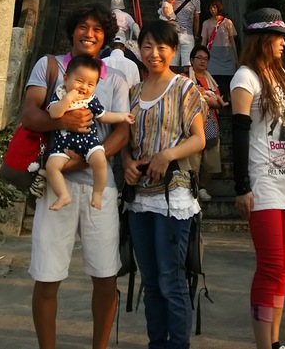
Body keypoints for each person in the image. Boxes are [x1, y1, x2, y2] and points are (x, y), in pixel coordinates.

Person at [22, 3, 130, 349]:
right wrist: (61, 122)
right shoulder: (50, 66)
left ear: (105, 36)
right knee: (47, 275)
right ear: (72, 30)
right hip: (57, 188)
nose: (89, 33)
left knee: (105, 275)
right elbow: (29, 115)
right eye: (83, 26)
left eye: (97, 29)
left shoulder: (114, 78)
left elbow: (121, 133)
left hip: (100, 187)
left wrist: (83, 162)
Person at [122, 20, 205, 349]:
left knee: (172, 279)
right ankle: (156, 343)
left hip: (174, 196)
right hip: (139, 198)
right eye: (147, 46)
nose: (153, 53)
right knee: (151, 280)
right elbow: (125, 140)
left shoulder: (185, 88)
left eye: (161, 47)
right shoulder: (133, 93)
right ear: (138, 49)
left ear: (173, 50)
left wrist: (167, 154)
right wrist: (127, 162)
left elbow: (198, 139)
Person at [230, 7, 285, 349]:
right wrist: (241, 185)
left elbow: (281, 125)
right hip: (262, 183)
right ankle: (263, 344)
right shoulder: (245, 77)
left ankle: (274, 343)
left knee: (283, 267)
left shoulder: (281, 74)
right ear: (262, 40)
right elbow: (240, 132)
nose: (284, 44)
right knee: (271, 265)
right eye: (279, 38)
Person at [46, 54, 135, 211]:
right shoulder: (60, 94)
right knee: (51, 166)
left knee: (100, 160)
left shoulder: (91, 100)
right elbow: (54, 113)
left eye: (90, 84)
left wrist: (122, 116)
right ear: (66, 78)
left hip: (89, 142)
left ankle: (98, 193)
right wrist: (67, 99)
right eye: (79, 81)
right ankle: (63, 195)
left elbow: (104, 116)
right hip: (63, 144)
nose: (83, 87)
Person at [189, 45, 228, 201]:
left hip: (211, 123)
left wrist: (211, 101)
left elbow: (219, 102)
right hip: (192, 125)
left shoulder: (211, 80)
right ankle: (193, 188)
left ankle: (202, 187)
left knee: (211, 162)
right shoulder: (185, 77)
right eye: (199, 58)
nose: (203, 61)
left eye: (206, 59)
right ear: (191, 60)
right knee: (193, 161)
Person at [200, 0, 238, 102]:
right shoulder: (206, 23)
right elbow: (204, 41)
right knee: (213, 79)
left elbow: (232, 40)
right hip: (213, 55)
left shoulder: (227, 22)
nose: (212, 9)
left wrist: (236, 57)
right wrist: (201, 55)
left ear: (219, 8)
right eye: (211, 7)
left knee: (230, 79)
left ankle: (230, 100)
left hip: (226, 53)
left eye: (214, 7)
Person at [172, 0, 201, 71]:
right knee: (172, 65)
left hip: (188, 36)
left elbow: (197, 19)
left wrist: (196, 36)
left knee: (188, 66)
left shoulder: (195, 0)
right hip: (173, 34)